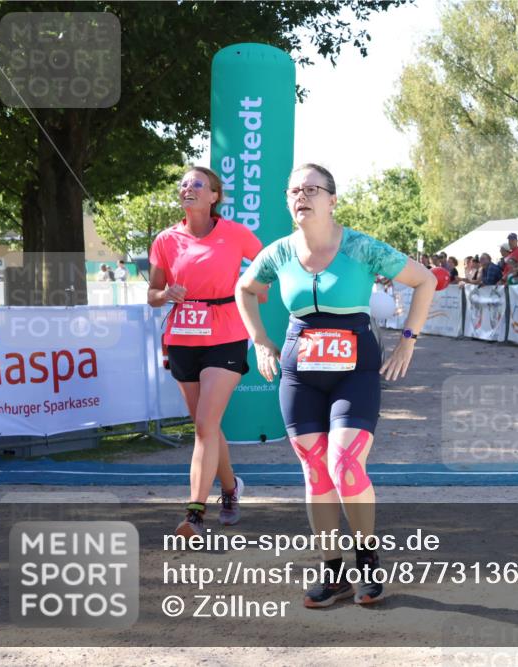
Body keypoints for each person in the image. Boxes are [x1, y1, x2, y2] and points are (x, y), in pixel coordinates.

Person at [236, 163, 435, 607]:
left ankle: (366, 561)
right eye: (294, 191)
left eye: (311, 189)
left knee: (345, 462)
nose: (301, 197)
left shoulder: (362, 248)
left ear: (332, 200)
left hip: (355, 369)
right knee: (316, 470)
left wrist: (408, 341)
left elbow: (426, 280)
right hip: (299, 370)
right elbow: (244, 288)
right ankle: (333, 571)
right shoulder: (279, 252)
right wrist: (261, 342)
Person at [148, 166, 263, 538]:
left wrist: (255, 289)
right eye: (183, 184)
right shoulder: (165, 240)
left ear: (214, 195)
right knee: (207, 425)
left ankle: (194, 513)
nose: (188, 188)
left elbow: (266, 269)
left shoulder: (235, 233)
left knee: (203, 426)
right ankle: (231, 489)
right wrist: (165, 295)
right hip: (183, 335)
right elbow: (152, 294)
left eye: (197, 184)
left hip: (226, 332)